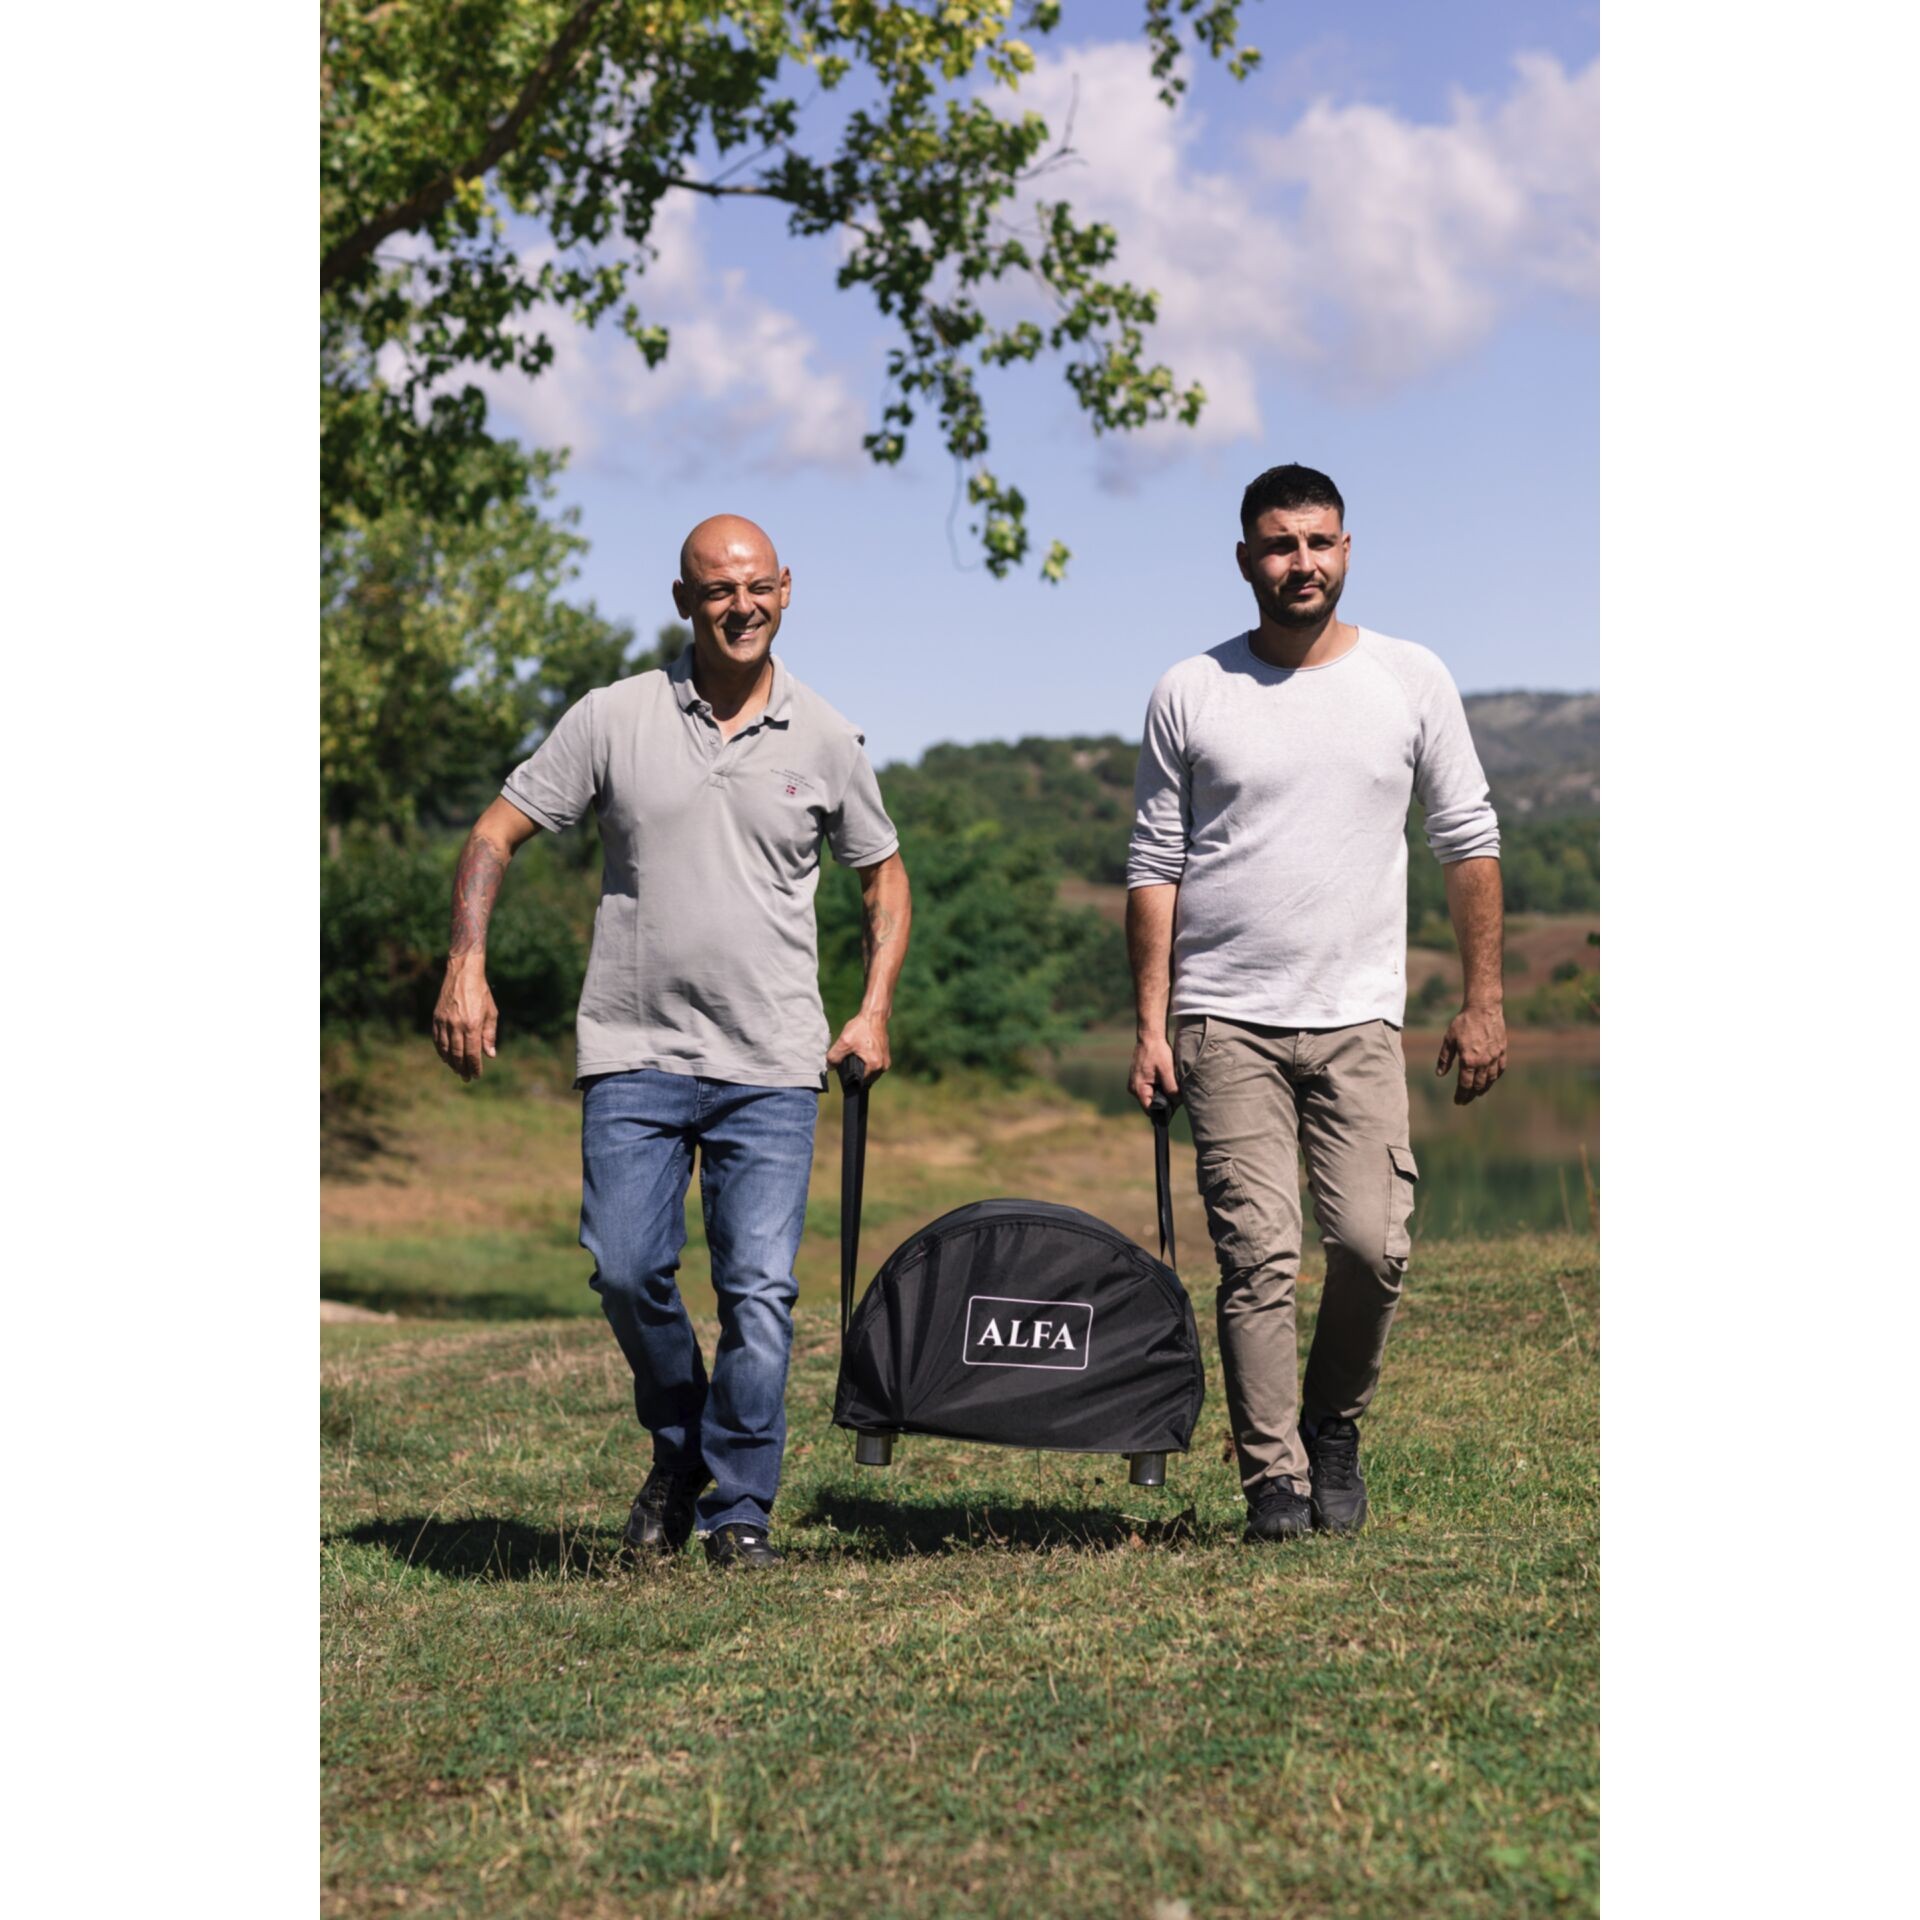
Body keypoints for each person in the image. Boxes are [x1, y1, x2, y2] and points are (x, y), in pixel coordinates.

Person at [432, 515, 911, 1572]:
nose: (741, 606)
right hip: (633, 1050)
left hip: (771, 1063)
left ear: (786, 588)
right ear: (684, 600)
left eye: (757, 586)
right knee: (624, 1269)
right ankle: (684, 1441)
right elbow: (496, 830)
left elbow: (883, 875)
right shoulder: (615, 717)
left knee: (759, 1295)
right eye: (718, 590)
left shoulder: (827, 737)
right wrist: (466, 962)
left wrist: (873, 1007)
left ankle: (740, 1507)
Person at [1125, 463, 1504, 1543]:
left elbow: (1467, 837)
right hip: (1223, 1018)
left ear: (1347, 550)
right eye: (1281, 544)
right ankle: (1276, 1483)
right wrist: (1150, 1025)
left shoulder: (1410, 678)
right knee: (1258, 1257)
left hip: (1358, 1017)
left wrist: (1483, 998)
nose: (1303, 563)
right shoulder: (1191, 689)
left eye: (1320, 542)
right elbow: (1154, 864)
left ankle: (1332, 1423)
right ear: (1246, 559)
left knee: (1373, 1246)